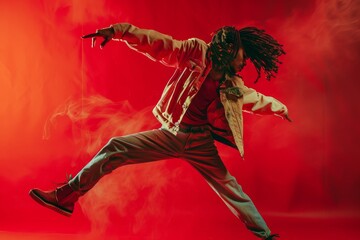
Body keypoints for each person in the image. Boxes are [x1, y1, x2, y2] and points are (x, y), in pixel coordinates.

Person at [29, 22, 291, 240]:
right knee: (115, 147)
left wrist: (281, 108)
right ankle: (66, 197)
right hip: (172, 134)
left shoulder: (233, 83)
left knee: (231, 188)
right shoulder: (196, 52)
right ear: (230, 48)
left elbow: (256, 100)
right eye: (243, 54)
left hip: (200, 142)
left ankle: (266, 236)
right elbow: (160, 44)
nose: (245, 61)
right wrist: (119, 32)